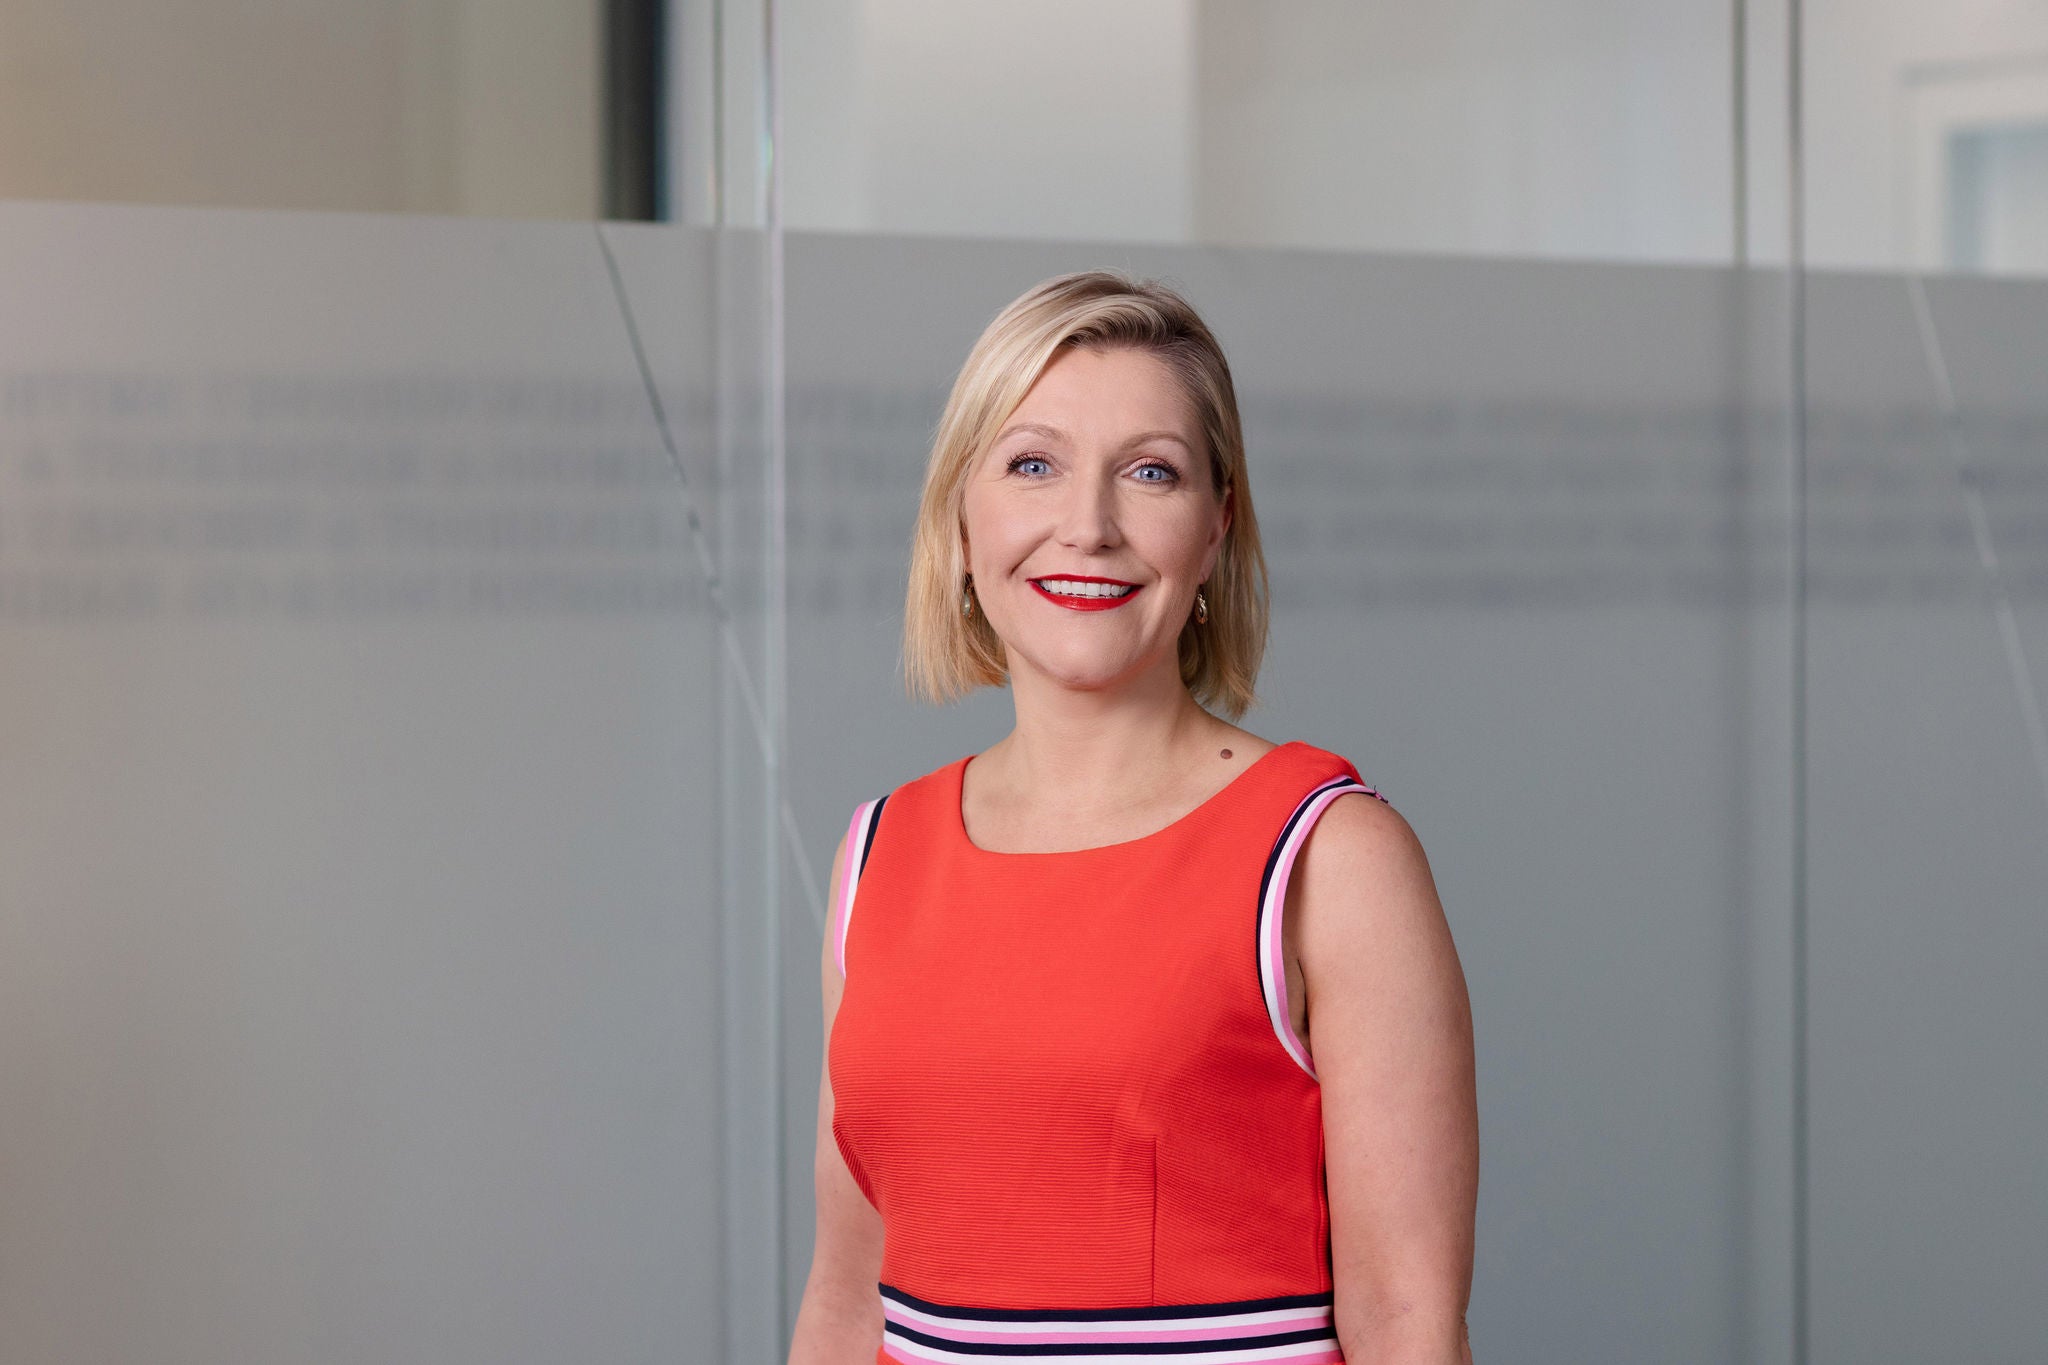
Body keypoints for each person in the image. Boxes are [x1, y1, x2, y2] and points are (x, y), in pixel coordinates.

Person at [786, 271, 1478, 1365]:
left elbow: (1405, 1321)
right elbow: (844, 1300)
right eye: (1032, 464)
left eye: (1150, 472)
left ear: (1215, 527)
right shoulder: (875, 857)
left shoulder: (1331, 855)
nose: (1088, 526)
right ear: (959, 519)